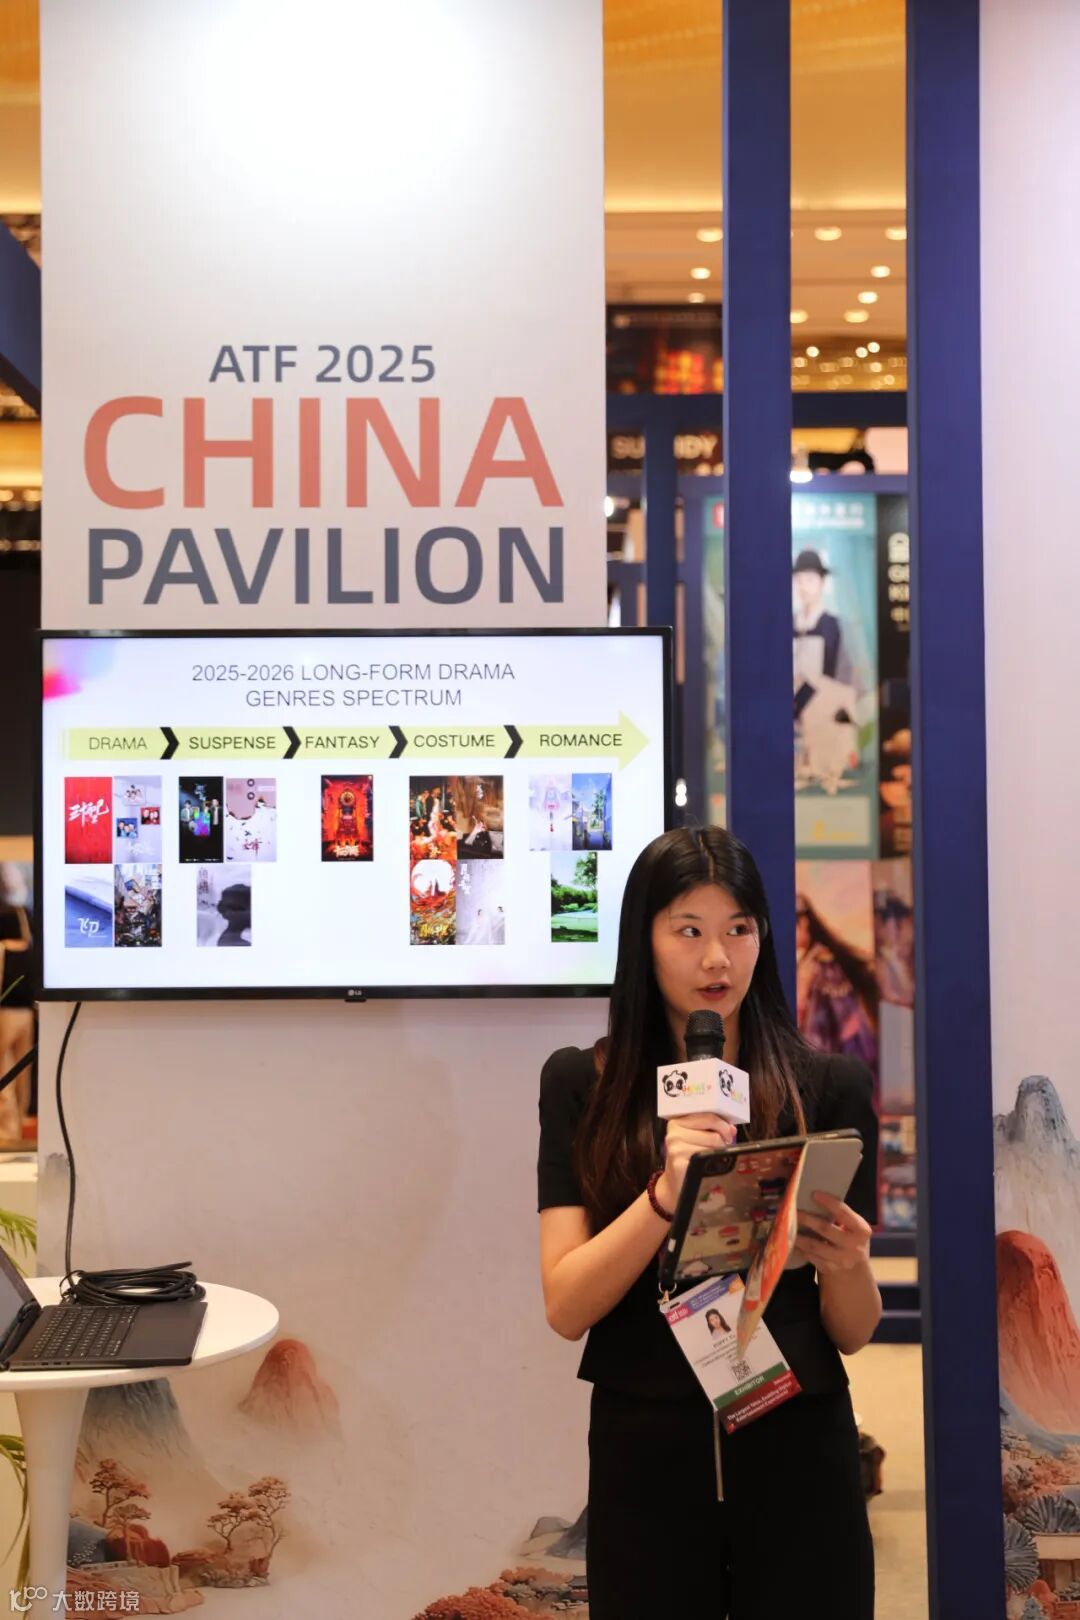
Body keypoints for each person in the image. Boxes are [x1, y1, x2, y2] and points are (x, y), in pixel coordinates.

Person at [538, 827, 878, 1619]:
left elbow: (855, 1330)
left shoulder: (827, 1086)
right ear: (644, 939)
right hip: (646, 1447)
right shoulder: (582, 1085)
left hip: (798, 1438)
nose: (717, 959)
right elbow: (566, 1305)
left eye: (739, 929)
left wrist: (849, 1263)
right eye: (689, 930)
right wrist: (663, 1195)